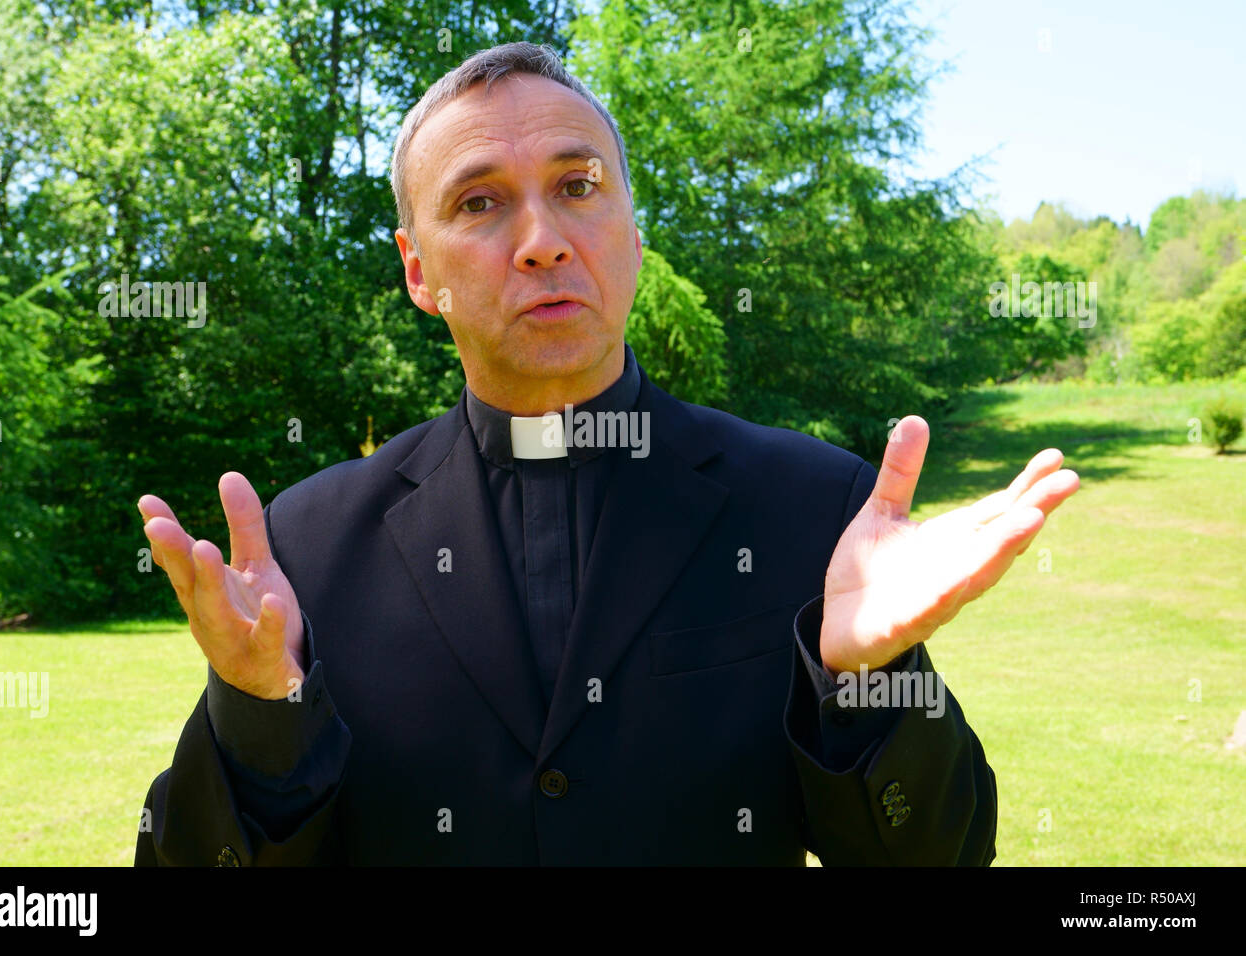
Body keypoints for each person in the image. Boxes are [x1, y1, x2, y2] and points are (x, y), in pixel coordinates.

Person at [134, 42, 1078, 866]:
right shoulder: (309, 547)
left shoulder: (813, 511)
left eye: (578, 186)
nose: (542, 241)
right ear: (419, 271)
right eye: (479, 203)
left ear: (632, 230)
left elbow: (942, 860)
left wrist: (873, 683)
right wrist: (259, 712)